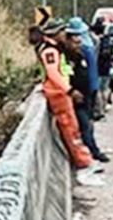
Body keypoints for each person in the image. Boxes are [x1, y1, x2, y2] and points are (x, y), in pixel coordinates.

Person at [29, 22, 93, 168]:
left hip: (59, 91)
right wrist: (69, 90)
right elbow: (53, 74)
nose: (65, 34)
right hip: (58, 93)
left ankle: (82, 160)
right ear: (55, 33)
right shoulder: (50, 51)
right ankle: (82, 162)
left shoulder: (54, 49)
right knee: (70, 128)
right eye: (62, 31)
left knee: (72, 127)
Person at [63, 18, 108, 162]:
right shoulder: (68, 55)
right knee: (84, 124)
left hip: (89, 90)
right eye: (76, 39)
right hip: (78, 94)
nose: (80, 41)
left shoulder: (85, 50)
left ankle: (90, 150)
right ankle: (92, 151)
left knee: (87, 122)